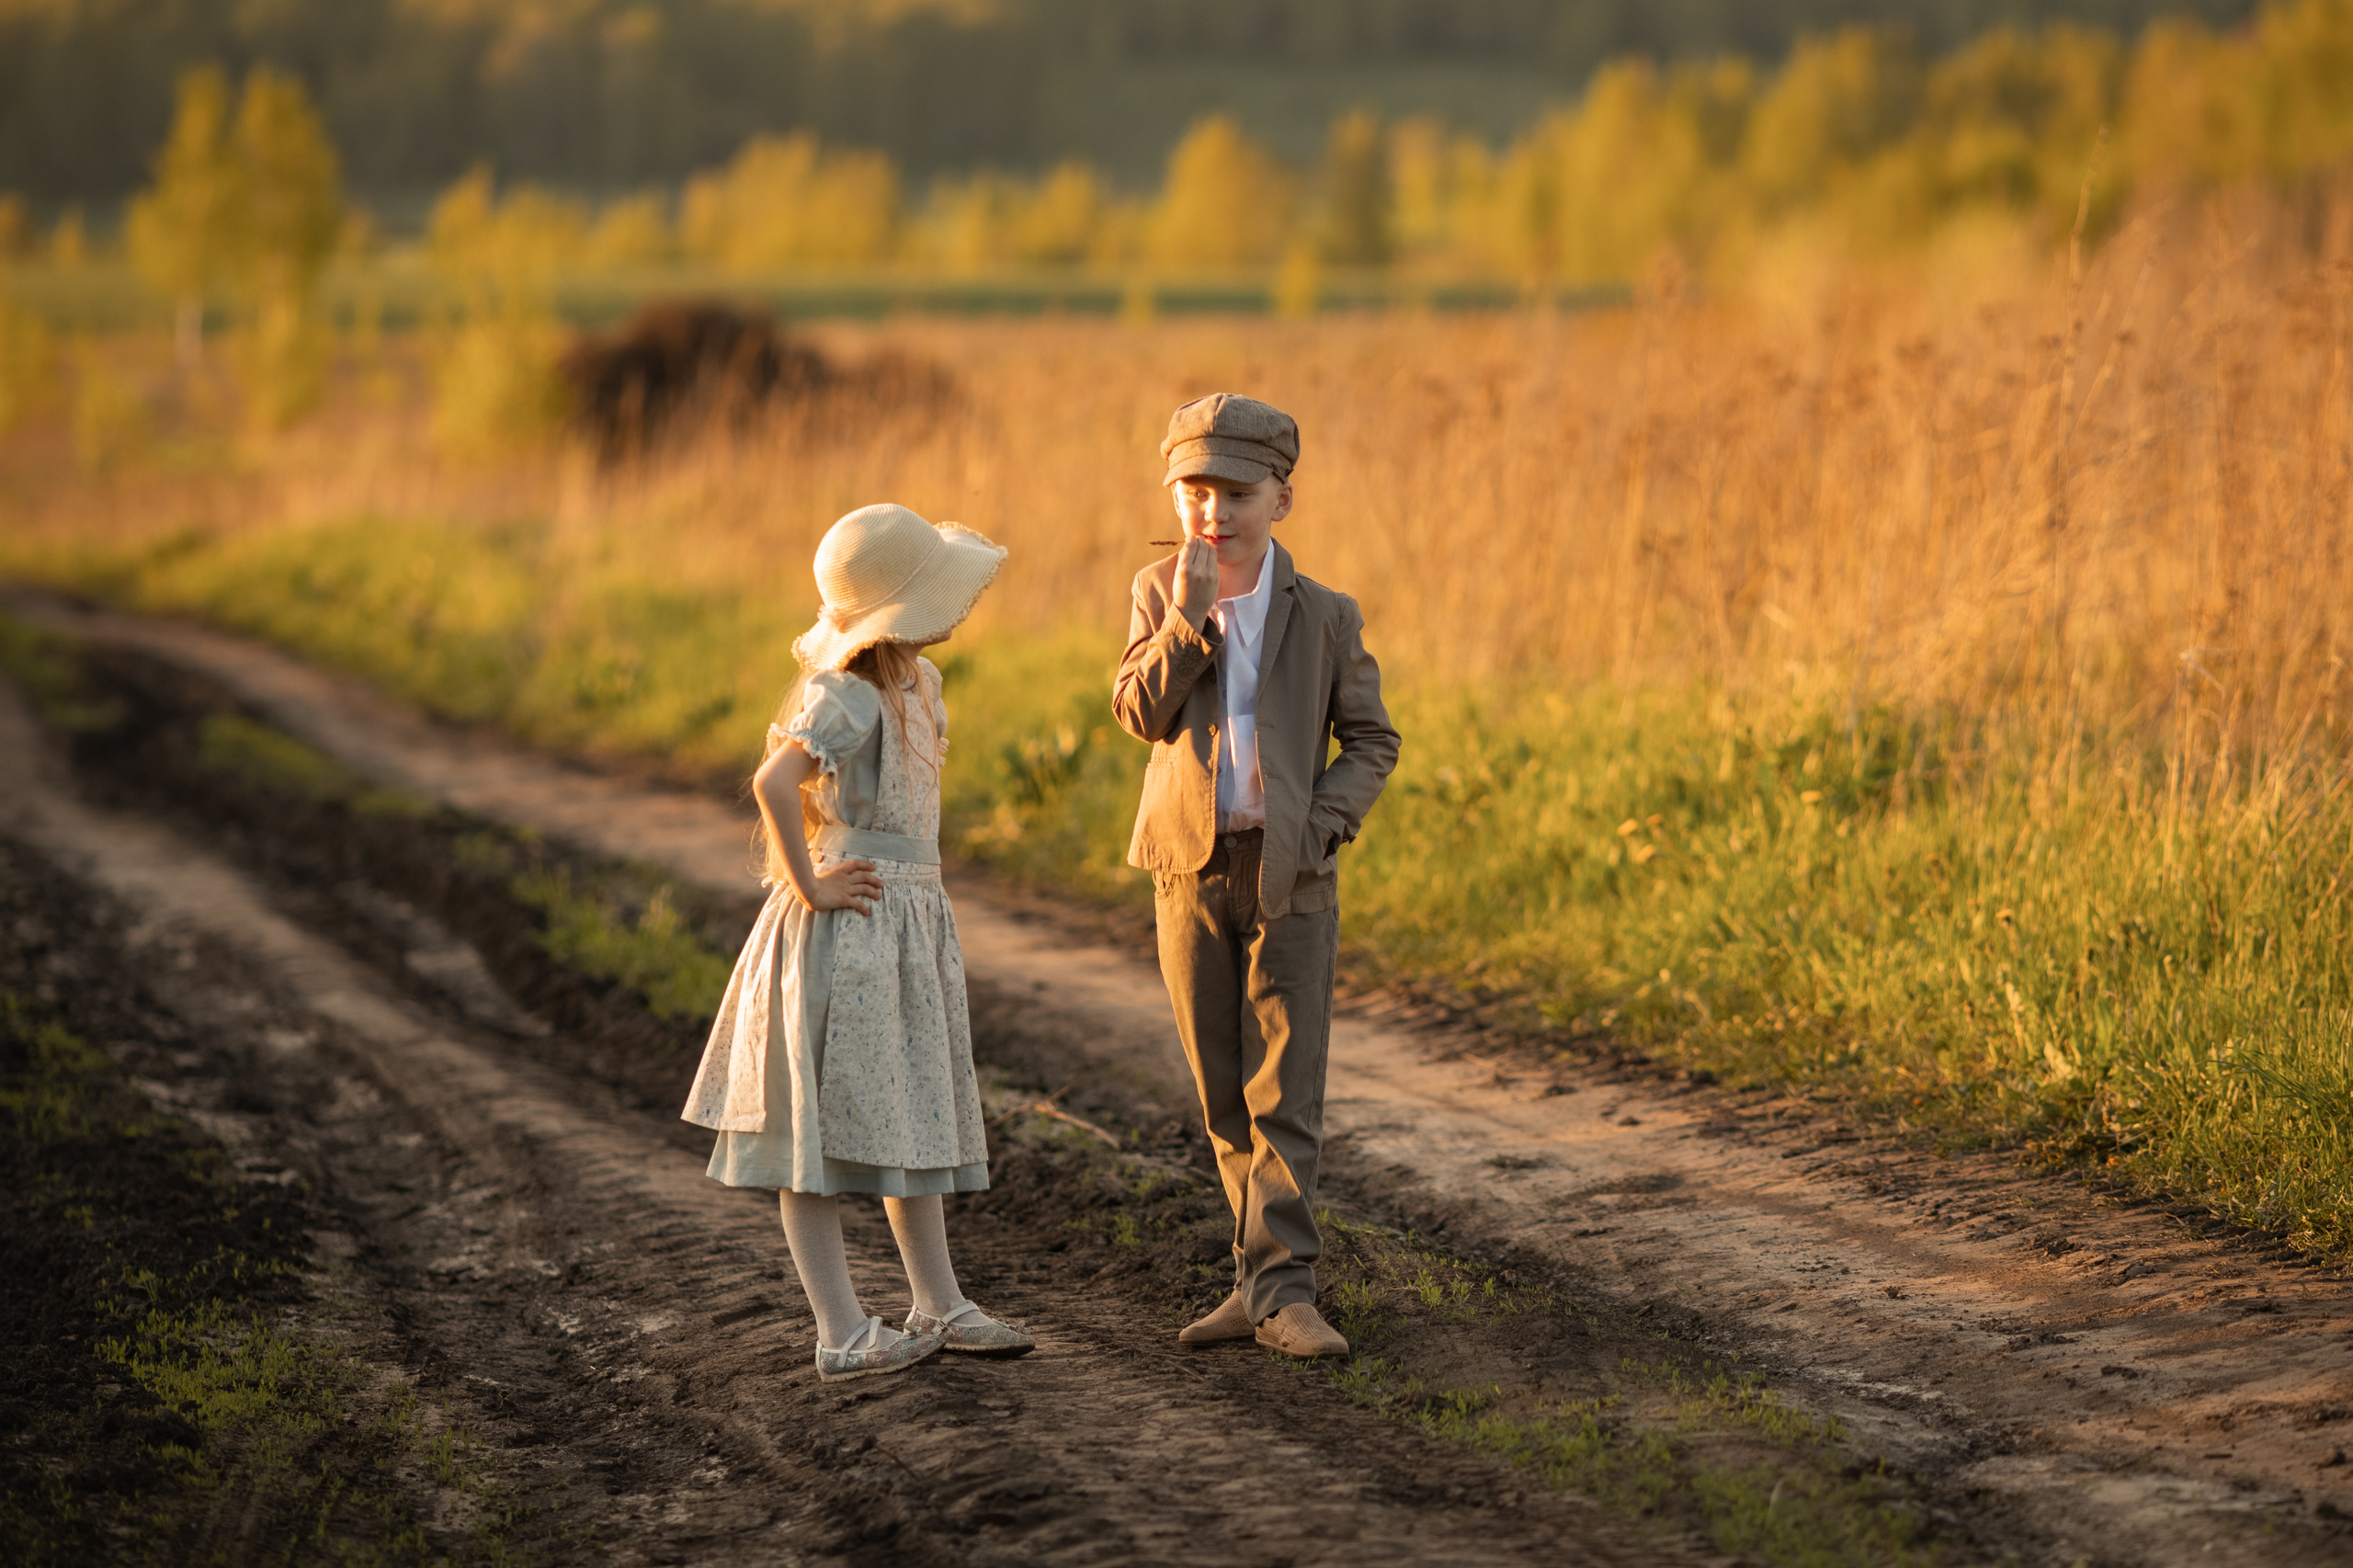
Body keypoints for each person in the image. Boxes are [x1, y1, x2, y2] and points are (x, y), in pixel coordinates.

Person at [684, 502, 1034, 1383]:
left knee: (903, 1110)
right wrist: (808, 883)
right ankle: (840, 1331)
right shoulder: (843, 693)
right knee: (816, 1132)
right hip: (848, 924)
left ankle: (938, 1304)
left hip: (910, 920)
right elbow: (774, 783)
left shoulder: (921, 684)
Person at [1112, 393, 1402, 1359]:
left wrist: (1321, 826)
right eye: (1195, 490)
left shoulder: (1323, 614)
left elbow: (1370, 738)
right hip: (1185, 871)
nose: (1213, 512)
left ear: (1282, 496)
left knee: (1286, 1088)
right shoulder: (1159, 593)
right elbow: (1139, 715)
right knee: (1222, 1087)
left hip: (1290, 874)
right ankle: (1255, 1282)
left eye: (1236, 491)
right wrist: (1188, 622)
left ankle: (1287, 1290)